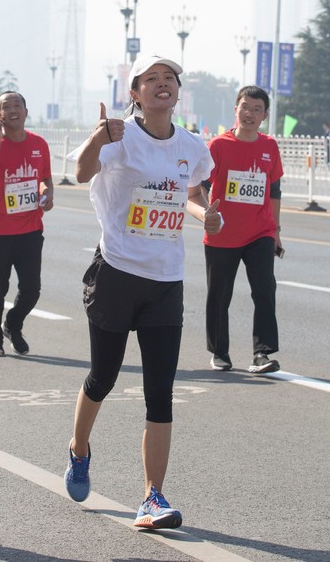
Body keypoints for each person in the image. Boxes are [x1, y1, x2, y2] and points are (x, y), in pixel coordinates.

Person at [64, 55, 221, 531]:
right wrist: (99, 136)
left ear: (178, 91)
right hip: (116, 273)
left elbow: (192, 194)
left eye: (169, 79)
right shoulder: (121, 136)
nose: (161, 85)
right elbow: (80, 172)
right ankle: (78, 449)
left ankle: (153, 497)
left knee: (160, 392)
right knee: (103, 377)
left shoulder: (192, 146)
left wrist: (205, 215)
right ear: (134, 92)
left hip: (165, 281)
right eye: (150, 79)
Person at [202, 86, 284, 374]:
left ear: (264, 115)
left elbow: (274, 190)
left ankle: (262, 353)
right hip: (222, 234)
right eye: (245, 107)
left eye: (256, 109)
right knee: (219, 294)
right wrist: (206, 214)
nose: (250, 114)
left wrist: (275, 231)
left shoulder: (269, 146)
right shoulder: (218, 146)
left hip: (259, 232)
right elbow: (200, 185)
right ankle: (219, 352)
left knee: (264, 289)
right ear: (235, 109)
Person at [0, 91, 53, 356]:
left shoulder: (39, 144)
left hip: (30, 228)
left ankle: (13, 325)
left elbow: (45, 178)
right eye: (6, 107)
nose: (13, 109)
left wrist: (47, 193)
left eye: (17, 104)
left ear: (26, 111)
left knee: (31, 289)